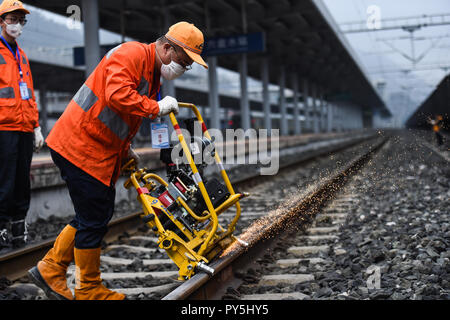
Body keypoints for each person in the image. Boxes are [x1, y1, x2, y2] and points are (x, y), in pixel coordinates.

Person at [28, 21, 208, 300]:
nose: (184, 68)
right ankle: (87, 289)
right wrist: (155, 107)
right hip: (80, 146)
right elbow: (117, 96)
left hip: (94, 148)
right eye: (183, 61)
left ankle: (50, 268)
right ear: (167, 47)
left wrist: (126, 150)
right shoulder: (131, 54)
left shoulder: (151, 71)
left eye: (188, 65)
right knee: (94, 216)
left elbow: (116, 118)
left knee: (92, 214)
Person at [0, 0, 44, 250]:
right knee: (4, 181)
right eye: (12, 19)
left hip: (25, 128)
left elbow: (29, 95)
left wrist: (36, 127)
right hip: (3, 128)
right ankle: (1, 229)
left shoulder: (22, 56)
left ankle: (18, 229)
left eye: (20, 20)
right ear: (1, 22)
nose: (17, 25)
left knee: (21, 182)